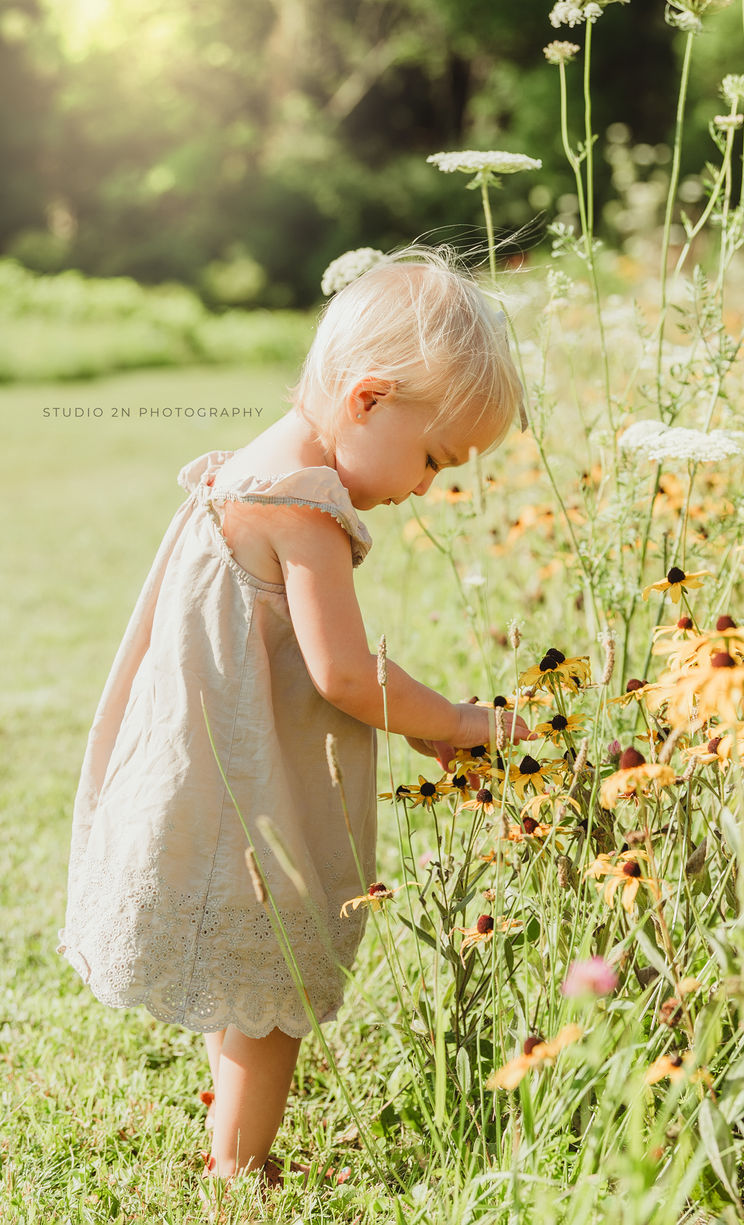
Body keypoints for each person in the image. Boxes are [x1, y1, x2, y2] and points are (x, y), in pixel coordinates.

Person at [58, 246, 531, 1186]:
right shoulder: (305, 509)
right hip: (258, 786)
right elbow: (347, 674)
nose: (427, 485)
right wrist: (464, 720)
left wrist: (425, 721)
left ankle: (226, 1129)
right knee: (270, 993)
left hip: (213, 760)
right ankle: (238, 1167)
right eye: (433, 457)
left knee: (246, 980)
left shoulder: (246, 467)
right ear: (367, 399)